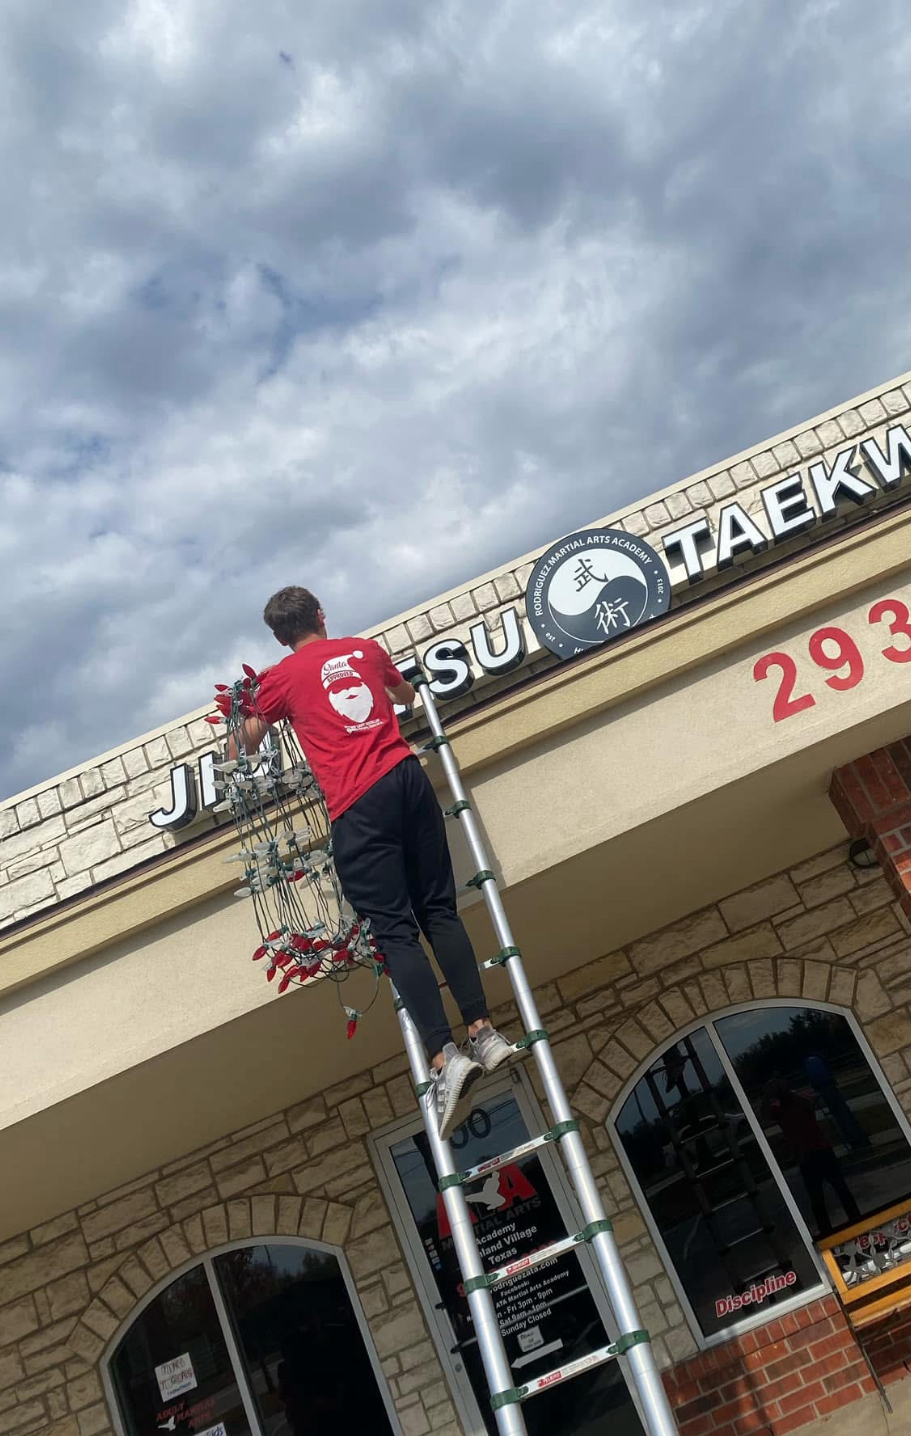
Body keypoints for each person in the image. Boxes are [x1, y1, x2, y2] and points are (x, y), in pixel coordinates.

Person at [228, 585, 514, 1140]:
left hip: (359, 803)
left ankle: (443, 1056)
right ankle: (484, 1031)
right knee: (439, 909)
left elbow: (246, 744)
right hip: (408, 779)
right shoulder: (364, 650)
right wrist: (400, 695)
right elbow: (406, 694)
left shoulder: (281, 679)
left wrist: (241, 719)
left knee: (394, 930)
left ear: (280, 637)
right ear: (320, 617)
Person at [762, 1078, 861, 1237]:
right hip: (815, 1151)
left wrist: (773, 1095)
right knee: (831, 1191)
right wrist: (780, 1093)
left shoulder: (783, 1107)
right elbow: (767, 1112)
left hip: (810, 1152)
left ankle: (831, 1228)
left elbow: (767, 1112)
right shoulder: (789, 1105)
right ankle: (848, 1221)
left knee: (823, 1194)